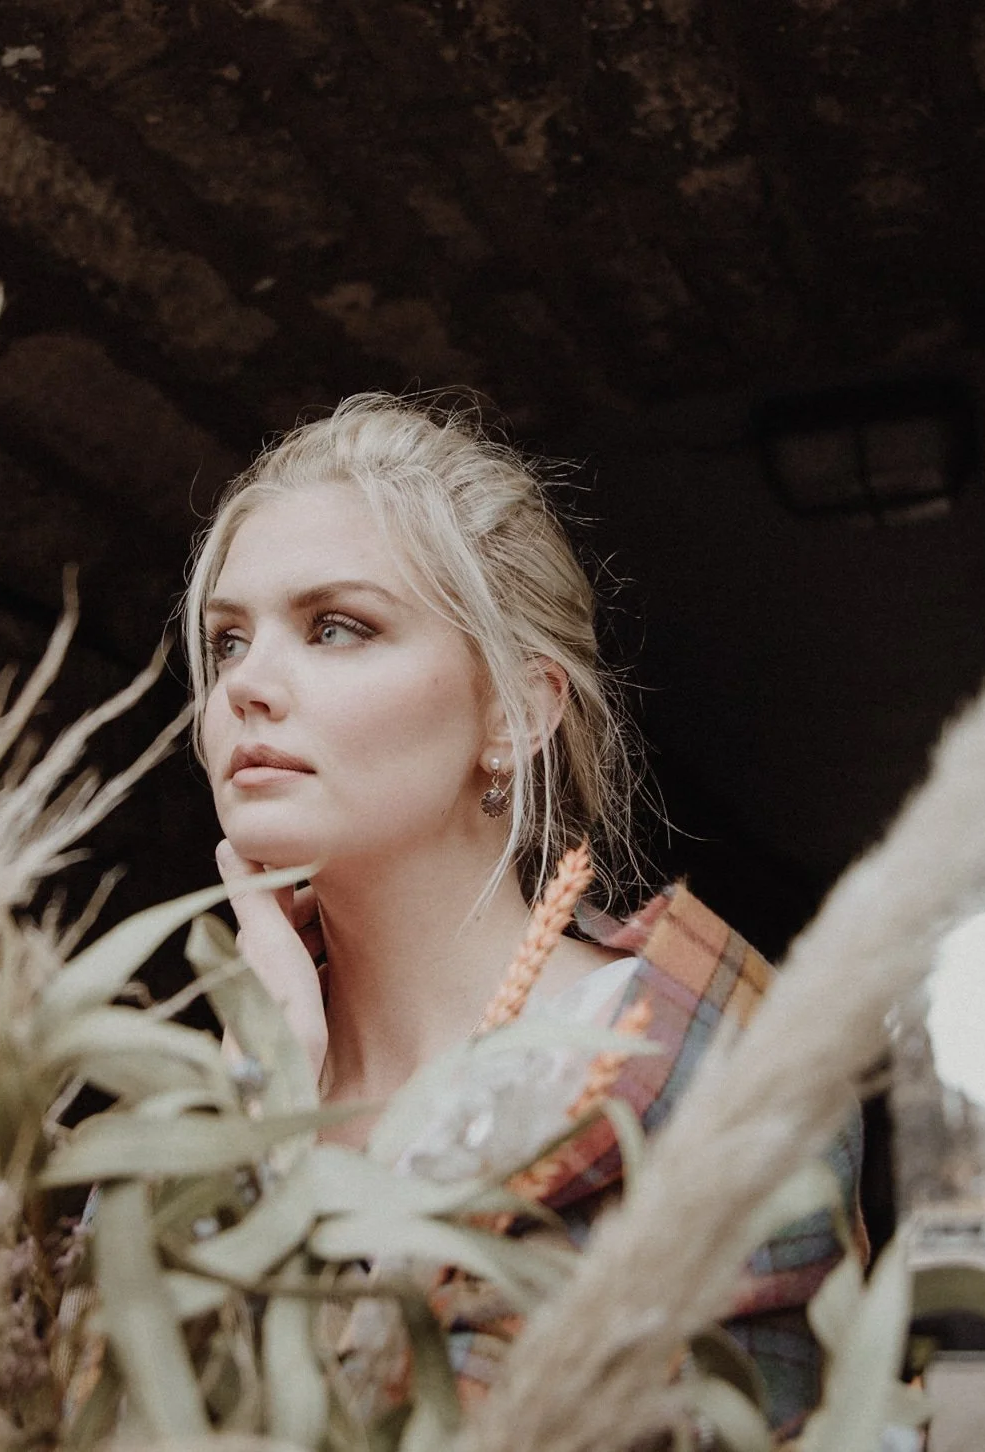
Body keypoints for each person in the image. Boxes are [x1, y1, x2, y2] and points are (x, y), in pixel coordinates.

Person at [179, 394, 862, 1434]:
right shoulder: (199, 1095)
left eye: (335, 627)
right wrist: (249, 1130)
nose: (247, 687)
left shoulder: (703, 1081)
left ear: (512, 713)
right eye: (227, 641)